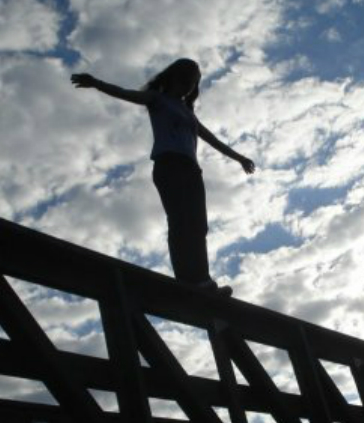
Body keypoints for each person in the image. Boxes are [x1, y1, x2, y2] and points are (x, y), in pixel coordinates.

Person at [71, 58, 255, 297]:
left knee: (198, 225)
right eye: (187, 80)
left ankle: (202, 279)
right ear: (174, 77)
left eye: (194, 82)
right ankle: (187, 280)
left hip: (192, 170)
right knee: (180, 221)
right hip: (168, 165)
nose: (189, 86)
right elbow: (125, 93)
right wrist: (96, 83)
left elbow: (213, 139)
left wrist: (240, 158)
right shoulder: (157, 99)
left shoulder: (188, 113)